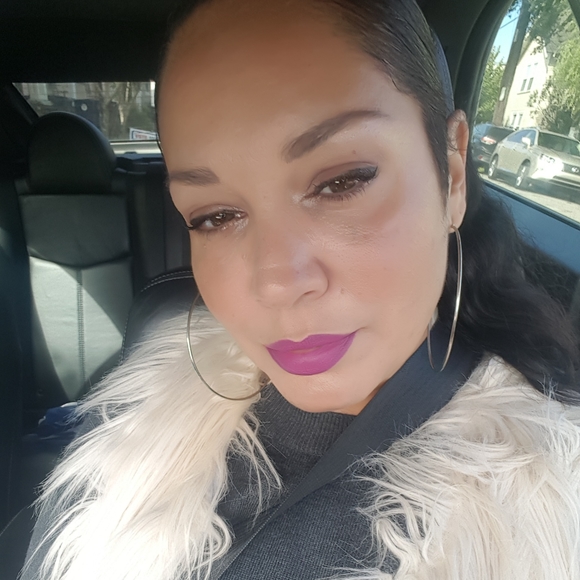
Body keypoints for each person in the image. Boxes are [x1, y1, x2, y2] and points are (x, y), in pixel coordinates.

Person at [22, 0, 580, 579]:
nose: (276, 283)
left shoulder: (546, 524)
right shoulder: (129, 429)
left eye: (342, 182)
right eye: (215, 216)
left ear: (454, 172)